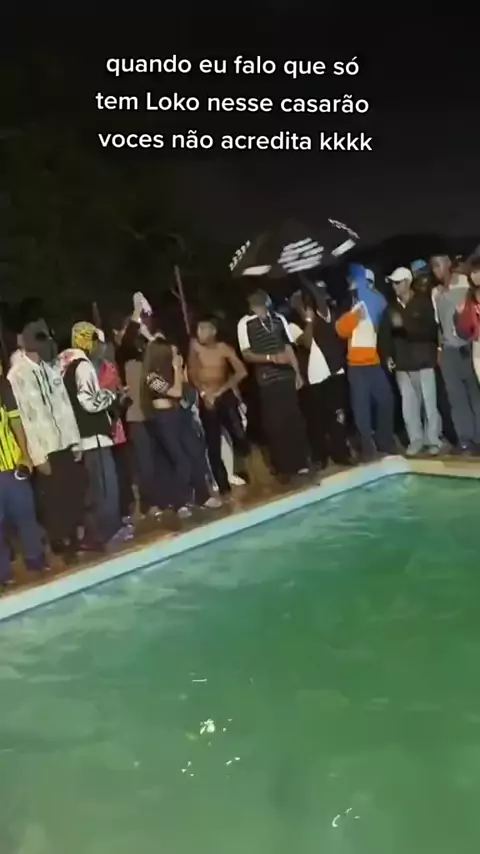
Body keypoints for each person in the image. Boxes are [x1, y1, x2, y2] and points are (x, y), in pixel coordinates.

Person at [8, 320, 86, 557]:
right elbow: (24, 418)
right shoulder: (17, 376)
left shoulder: (51, 369)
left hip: (64, 442)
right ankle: (61, 544)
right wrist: (37, 455)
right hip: (45, 447)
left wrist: (75, 441)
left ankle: (74, 540)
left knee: (72, 492)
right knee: (53, 499)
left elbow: (64, 406)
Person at [60, 322, 133, 547]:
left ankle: (97, 534)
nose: (100, 347)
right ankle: (110, 532)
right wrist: (111, 396)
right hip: (94, 437)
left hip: (81, 437)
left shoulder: (65, 366)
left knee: (94, 489)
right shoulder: (83, 366)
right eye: (96, 342)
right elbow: (89, 402)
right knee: (106, 487)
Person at [143, 338, 222, 517]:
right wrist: (177, 369)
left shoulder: (173, 371)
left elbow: (184, 390)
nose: (177, 356)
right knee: (181, 460)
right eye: (173, 354)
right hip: (164, 419)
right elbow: (176, 392)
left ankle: (203, 495)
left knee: (196, 453)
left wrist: (181, 372)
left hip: (179, 414)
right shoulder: (151, 377)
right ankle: (180, 503)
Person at [237, 290, 309, 480]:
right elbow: (246, 354)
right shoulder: (245, 323)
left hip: (286, 376)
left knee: (294, 420)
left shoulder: (278, 319)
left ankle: (300, 463)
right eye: (255, 305)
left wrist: (297, 372)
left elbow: (287, 346)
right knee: (276, 424)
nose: (259, 308)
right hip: (267, 378)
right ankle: (284, 467)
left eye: (261, 304)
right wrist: (271, 358)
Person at [289, 284, 353, 468]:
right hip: (313, 379)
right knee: (316, 421)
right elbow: (307, 343)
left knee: (338, 415)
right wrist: (308, 321)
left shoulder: (324, 315)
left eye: (306, 302)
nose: (305, 306)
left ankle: (341, 453)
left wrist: (307, 283)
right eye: (301, 303)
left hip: (334, 373)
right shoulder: (293, 324)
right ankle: (320, 457)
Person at [379, 267, 442, 456]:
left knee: (429, 405)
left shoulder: (422, 303)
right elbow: (384, 336)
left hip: (423, 362)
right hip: (402, 364)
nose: (394, 287)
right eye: (392, 283)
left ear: (407, 282)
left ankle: (433, 440)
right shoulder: (390, 309)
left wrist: (405, 326)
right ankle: (416, 440)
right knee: (409, 407)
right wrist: (387, 356)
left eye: (397, 283)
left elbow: (430, 331)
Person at [336, 264, 395, 460]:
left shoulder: (373, 301)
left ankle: (384, 441)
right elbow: (340, 329)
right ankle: (368, 448)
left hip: (373, 363)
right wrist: (354, 316)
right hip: (356, 366)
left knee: (386, 400)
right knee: (361, 409)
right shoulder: (350, 304)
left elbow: (380, 304)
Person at [188, 317, 249, 494]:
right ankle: (222, 484)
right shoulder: (195, 346)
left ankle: (240, 468)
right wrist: (205, 393)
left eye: (204, 329)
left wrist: (222, 390)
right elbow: (193, 372)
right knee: (213, 441)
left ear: (213, 331)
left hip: (223, 393)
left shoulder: (223, 348)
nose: (200, 333)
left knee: (238, 433)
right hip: (205, 395)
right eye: (198, 329)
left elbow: (241, 371)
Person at [0, 370, 48, 590]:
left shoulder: (3, 387)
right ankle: (3, 574)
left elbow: (16, 421)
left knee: (26, 514)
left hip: (11, 466)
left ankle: (35, 560)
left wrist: (25, 455)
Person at [431, 254, 480, 453]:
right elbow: (439, 324)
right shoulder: (436, 292)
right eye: (433, 267)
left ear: (449, 263)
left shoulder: (465, 284)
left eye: (439, 265)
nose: (436, 270)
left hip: (469, 347)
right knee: (456, 397)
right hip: (449, 350)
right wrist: (440, 349)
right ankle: (465, 439)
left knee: (474, 394)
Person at [454, 258, 480, 383]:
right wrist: (460, 314)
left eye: (478, 271)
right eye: (473, 272)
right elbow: (463, 330)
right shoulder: (469, 295)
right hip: (477, 345)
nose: (475, 275)